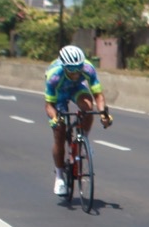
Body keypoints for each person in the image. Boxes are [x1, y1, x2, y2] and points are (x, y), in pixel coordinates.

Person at [44, 45, 111, 197]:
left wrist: (103, 114)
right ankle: (59, 176)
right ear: (64, 66)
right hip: (58, 93)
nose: (76, 73)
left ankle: (83, 139)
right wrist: (55, 119)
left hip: (76, 89)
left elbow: (98, 95)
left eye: (78, 69)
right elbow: (49, 105)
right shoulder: (54, 75)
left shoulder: (88, 68)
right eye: (71, 70)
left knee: (88, 107)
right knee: (59, 132)